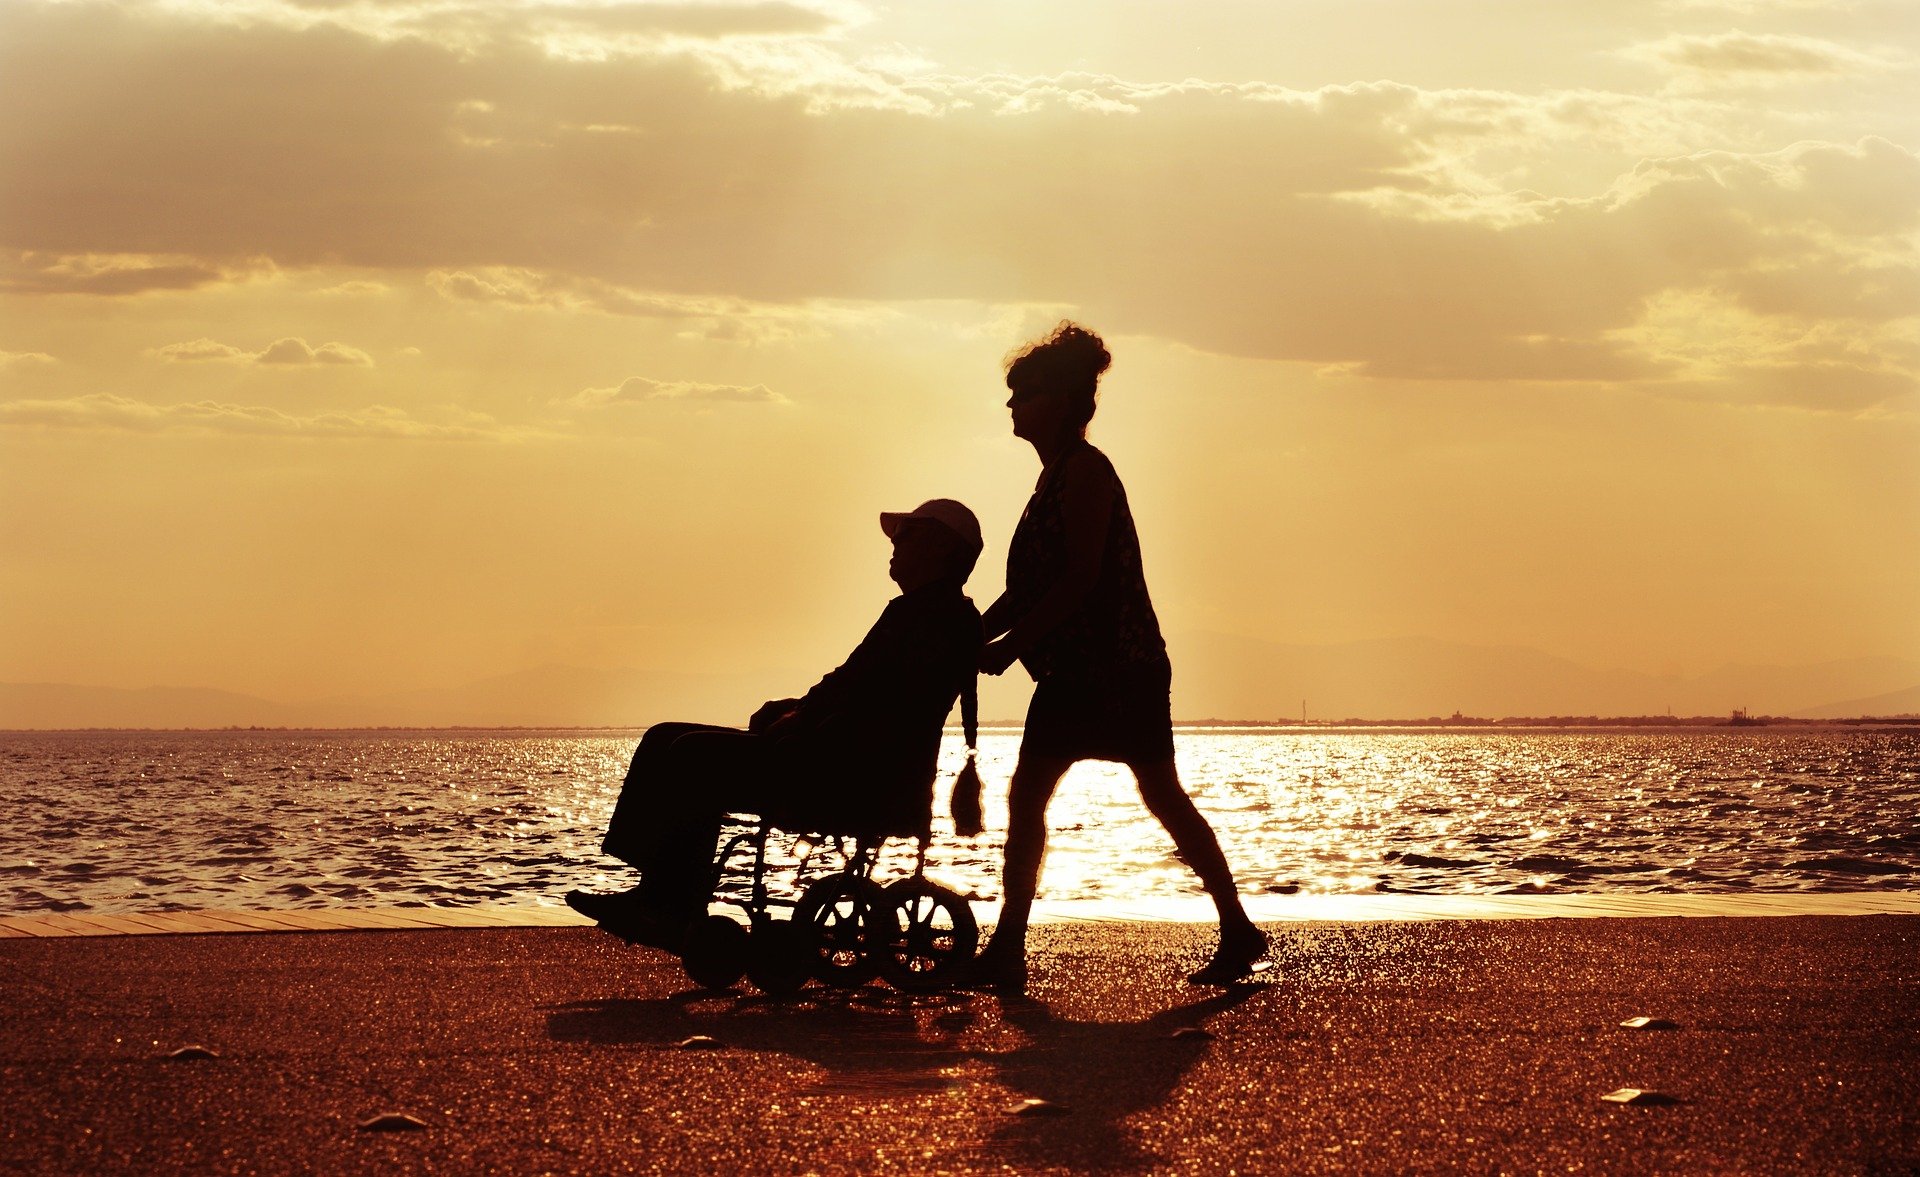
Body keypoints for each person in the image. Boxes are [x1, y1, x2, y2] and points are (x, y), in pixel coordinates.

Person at [970, 323, 1268, 990]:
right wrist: (972, 635)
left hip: (1118, 668)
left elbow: (1078, 578)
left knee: (1160, 796)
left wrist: (1008, 646)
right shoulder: (1049, 481)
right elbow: (1024, 590)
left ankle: (1237, 926)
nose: (1013, 405)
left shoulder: (1086, 473)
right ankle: (1008, 946)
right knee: (1032, 798)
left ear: (1065, 400)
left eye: (1026, 394)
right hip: (1071, 672)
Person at [567, 500, 984, 949]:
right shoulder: (919, 613)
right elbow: (852, 685)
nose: (894, 546)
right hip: (832, 752)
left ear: (939, 548)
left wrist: (801, 719)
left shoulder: (934, 619)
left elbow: (877, 704)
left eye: (906, 535)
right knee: (663, 736)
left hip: (844, 771)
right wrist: (797, 708)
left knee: (690, 753)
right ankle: (657, 891)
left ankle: (669, 905)